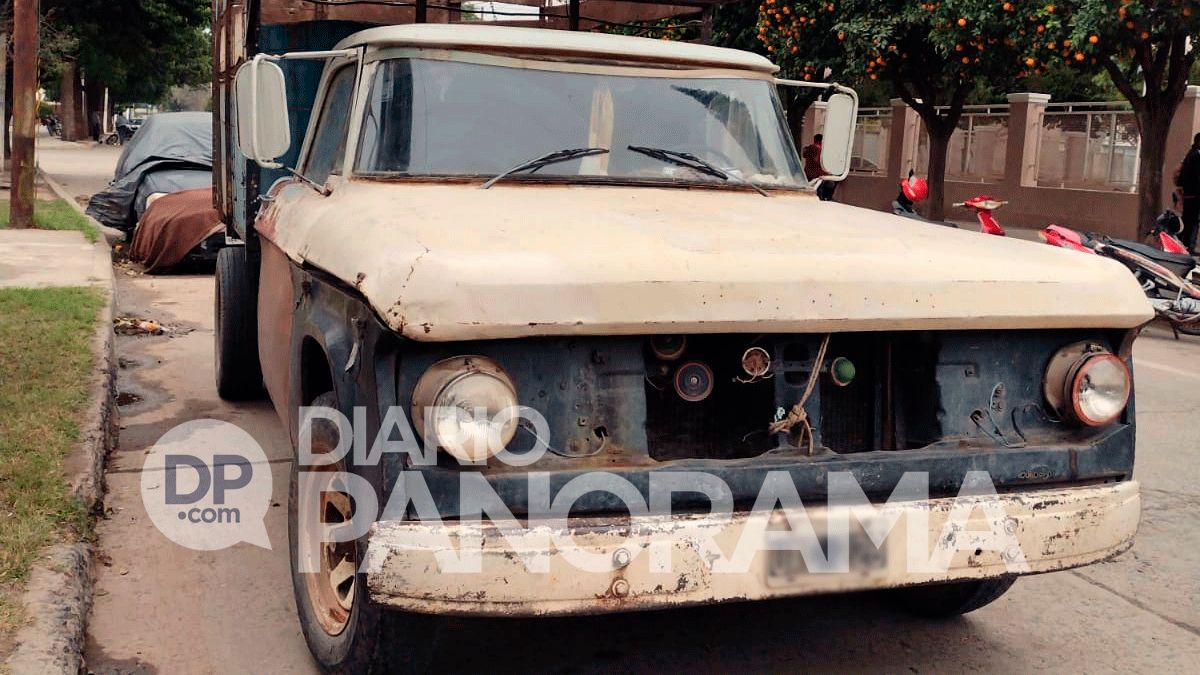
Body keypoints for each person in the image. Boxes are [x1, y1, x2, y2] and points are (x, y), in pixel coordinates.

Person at [1177, 132, 1200, 254]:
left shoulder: (1190, 154)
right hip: (1194, 195)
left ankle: (1186, 246)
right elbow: (1197, 176)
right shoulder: (1196, 155)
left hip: (1189, 194)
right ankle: (1189, 247)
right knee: (1193, 222)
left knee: (1189, 221)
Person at [802, 133, 837, 201]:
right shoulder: (818, 148)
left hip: (808, 173)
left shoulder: (810, 147)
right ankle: (826, 198)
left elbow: (804, 155)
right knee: (824, 187)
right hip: (817, 174)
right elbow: (817, 161)